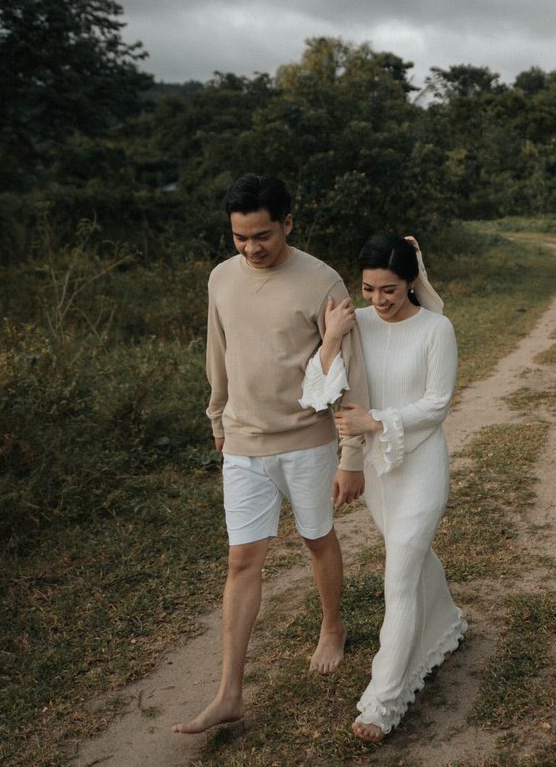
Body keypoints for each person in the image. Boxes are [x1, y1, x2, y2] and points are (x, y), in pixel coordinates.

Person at [173, 174, 370, 736]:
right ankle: (229, 692)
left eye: (262, 235)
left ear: (287, 223)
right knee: (241, 560)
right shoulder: (221, 278)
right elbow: (218, 350)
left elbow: (348, 370)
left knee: (316, 539)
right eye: (240, 237)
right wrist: (217, 416)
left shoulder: (321, 281)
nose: (251, 248)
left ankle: (332, 626)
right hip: (242, 440)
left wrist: (351, 453)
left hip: (306, 441)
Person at [303, 233, 465, 742]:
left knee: (398, 575)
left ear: (411, 282)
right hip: (378, 472)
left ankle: (383, 701)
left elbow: (437, 404)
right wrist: (331, 339)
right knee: (410, 558)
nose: (378, 299)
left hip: (422, 466)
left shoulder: (436, 329)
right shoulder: (356, 323)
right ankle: (447, 624)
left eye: (389, 289)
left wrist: (375, 420)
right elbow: (318, 390)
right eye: (369, 288)